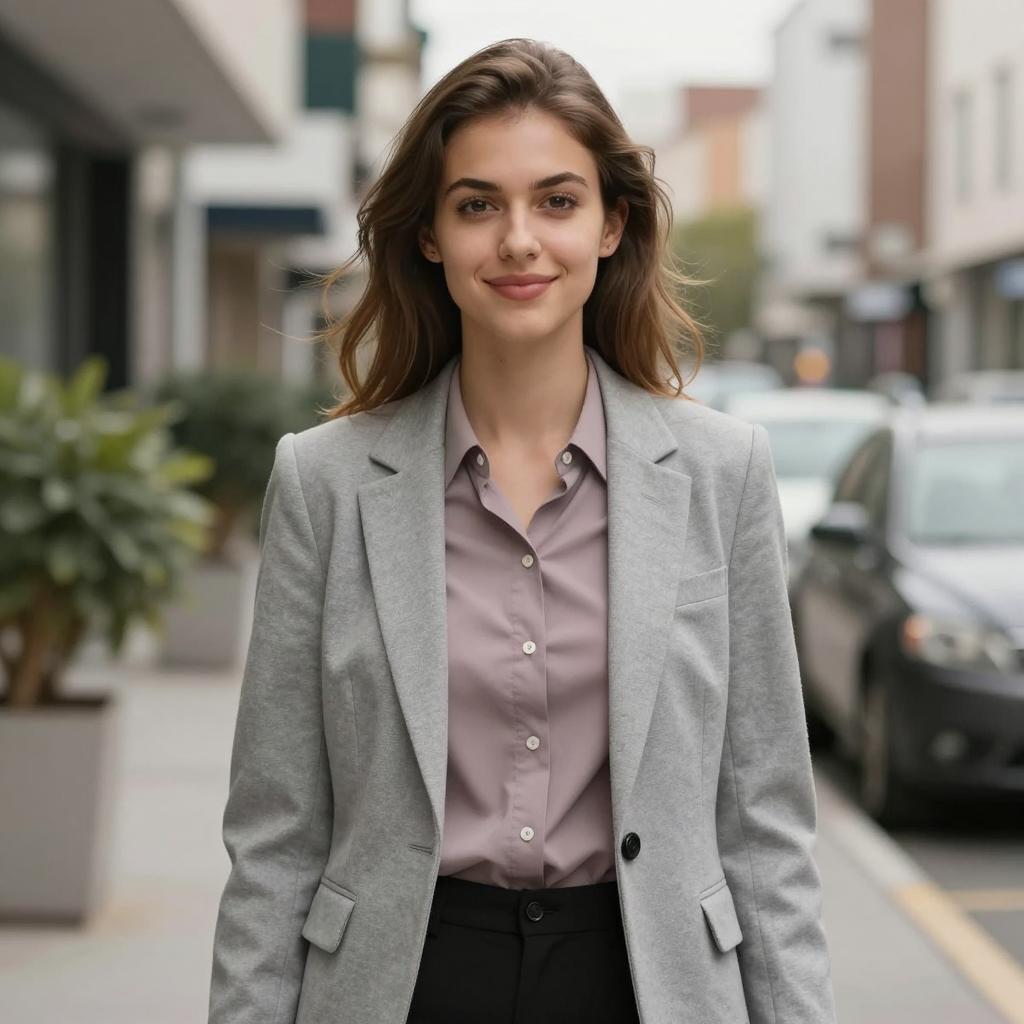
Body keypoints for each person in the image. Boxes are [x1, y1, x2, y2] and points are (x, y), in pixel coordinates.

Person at [207, 37, 837, 1024]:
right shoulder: (324, 483)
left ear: (610, 224)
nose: (517, 240)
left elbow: (764, 828)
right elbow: (276, 837)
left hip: (648, 978)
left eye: (555, 200)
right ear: (427, 235)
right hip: (400, 979)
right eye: (476, 205)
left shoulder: (723, 473)